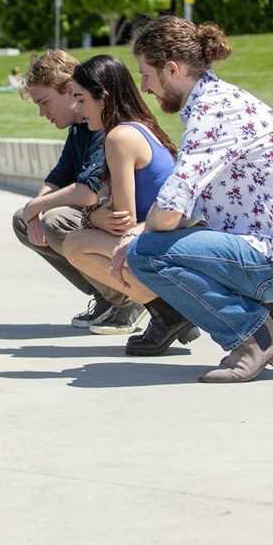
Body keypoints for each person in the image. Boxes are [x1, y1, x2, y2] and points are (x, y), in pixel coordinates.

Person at [113, 15, 273, 382]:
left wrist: (133, 237)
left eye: (146, 75)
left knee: (147, 253)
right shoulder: (218, 103)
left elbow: (169, 212)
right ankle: (271, 323)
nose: (145, 87)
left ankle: (253, 337)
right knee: (149, 245)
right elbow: (185, 208)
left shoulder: (214, 113)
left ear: (172, 69)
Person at [61, 55, 198, 341]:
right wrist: (96, 213)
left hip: (167, 243)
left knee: (75, 244)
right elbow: (108, 208)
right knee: (80, 237)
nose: (77, 108)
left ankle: (170, 311)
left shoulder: (120, 138)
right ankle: (168, 312)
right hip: (172, 235)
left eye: (81, 98)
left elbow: (123, 221)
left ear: (103, 96)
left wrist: (93, 215)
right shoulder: (137, 126)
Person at [13, 50, 138, 330]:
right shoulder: (79, 128)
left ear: (70, 91)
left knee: (53, 221)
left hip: (128, 224)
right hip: (100, 217)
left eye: (45, 102)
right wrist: (33, 208)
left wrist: (38, 207)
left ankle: (128, 299)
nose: (42, 113)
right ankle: (104, 295)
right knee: (24, 221)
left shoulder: (104, 125)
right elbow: (59, 176)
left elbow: (87, 193)